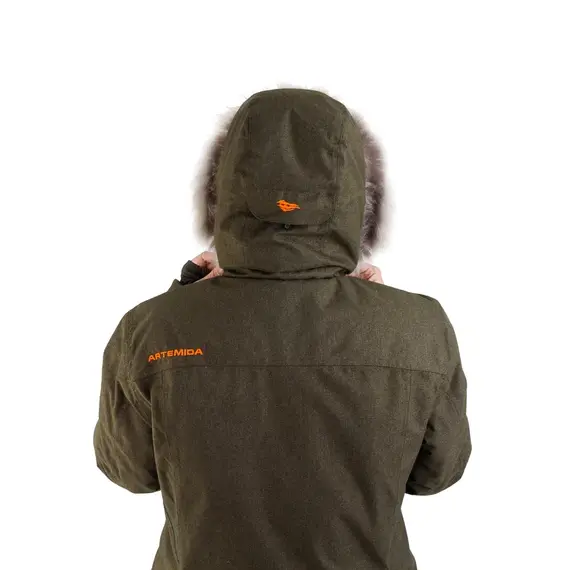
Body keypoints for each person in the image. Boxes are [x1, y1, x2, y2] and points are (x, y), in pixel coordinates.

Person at [93, 87, 471, 570]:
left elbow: (129, 471)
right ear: (355, 192)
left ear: (224, 188)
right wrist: (387, 325)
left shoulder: (149, 329)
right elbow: (435, 475)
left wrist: (182, 304)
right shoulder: (421, 326)